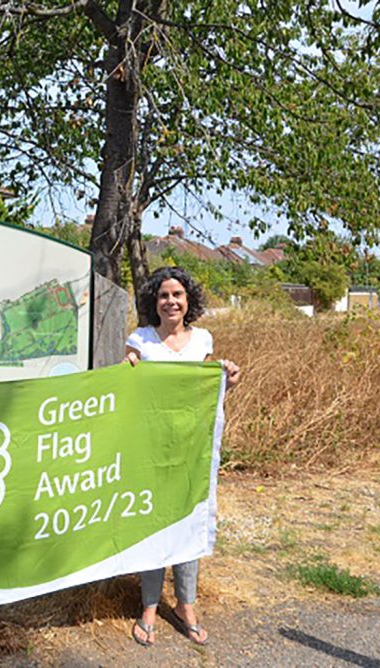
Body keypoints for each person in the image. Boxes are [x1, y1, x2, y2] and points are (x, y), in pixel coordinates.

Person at [124, 265, 240, 648]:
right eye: (163, 295)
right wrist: (127, 371)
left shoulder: (202, 339)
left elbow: (206, 394)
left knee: (188, 522)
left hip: (191, 448)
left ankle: (186, 605)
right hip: (150, 448)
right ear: (153, 302)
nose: (170, 301)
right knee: (154, 523)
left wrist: (227, 377)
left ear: (188, 300)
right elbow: (128, 387)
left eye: (177, 295)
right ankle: (149, 608)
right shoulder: (140, 340)